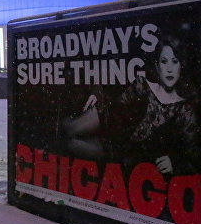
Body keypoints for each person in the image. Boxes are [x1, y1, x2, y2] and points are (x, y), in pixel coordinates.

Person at [67, 33, 200, 175]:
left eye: (175, 61)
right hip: (110, 132)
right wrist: (98, 95)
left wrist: (175, 163)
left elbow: (195, 157)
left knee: (70, 143)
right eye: (164, 61)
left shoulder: (185, 110)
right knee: (68, 130)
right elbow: (114, 106)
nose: (169, 68)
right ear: (157, 65)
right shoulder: (142, 85)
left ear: (181, 65)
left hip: (120, 156)